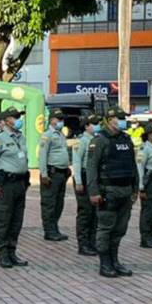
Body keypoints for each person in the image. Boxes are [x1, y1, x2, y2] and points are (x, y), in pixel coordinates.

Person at [86, 107, 138, 278]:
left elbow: (132, 166)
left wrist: (135, 189)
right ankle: (105, 263)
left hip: (125, 191)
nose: (123, 121)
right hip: (108, 191)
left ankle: (115, 260)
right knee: (105, 228)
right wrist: (93, 192)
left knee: (120, 229)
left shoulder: (126, 139)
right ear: (109, 120)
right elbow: (91, 168)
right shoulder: (100, 140)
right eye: (120, 118)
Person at [0, 107, 30, 269]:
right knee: (3, 220)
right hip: (5, 185)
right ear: (7, 120)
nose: (18, 119)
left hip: (20, 183)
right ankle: (3, 254)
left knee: (16, 221)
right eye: (15, 117)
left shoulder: (20, 137)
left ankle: (12, 252)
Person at [39, 108, 71, 241]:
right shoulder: (47, 135)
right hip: (52, 173)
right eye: (59, 119)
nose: (61, 122)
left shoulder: (61, 134)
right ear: (52, 120)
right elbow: (42, 155)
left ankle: (54, 227)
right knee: (49, 203)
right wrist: (44, 174)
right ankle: (49, 230)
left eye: (62, 119)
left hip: (62, 173)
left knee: (59, 203)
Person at [72, 114, 101, 256]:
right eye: (94, 123)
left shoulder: (96, 140)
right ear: (86, 126)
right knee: (85, 212)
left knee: (95, 213)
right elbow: (77, 162)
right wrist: (78, 181)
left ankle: (92, 242)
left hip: (93, 177)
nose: (97, 126)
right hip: (83, 177)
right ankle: (83, 244)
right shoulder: (81, 141)